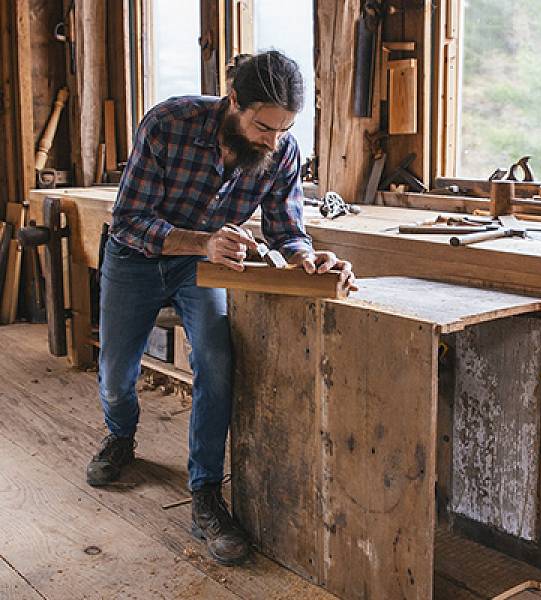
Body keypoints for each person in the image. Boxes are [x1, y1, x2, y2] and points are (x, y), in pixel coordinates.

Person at [85, 50, 356, 566]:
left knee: (215, 362)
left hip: (203, 268)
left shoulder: (282, 149)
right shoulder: (168, 124)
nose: (272, 142)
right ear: (234, 101)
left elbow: (286, 228)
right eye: (262, 127)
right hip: (136, 255)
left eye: (282, 130)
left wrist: (306, 257)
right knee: (116, 375)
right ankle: (120, 436)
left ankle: (206, 493)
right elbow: (128, 220)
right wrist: (202, 240)